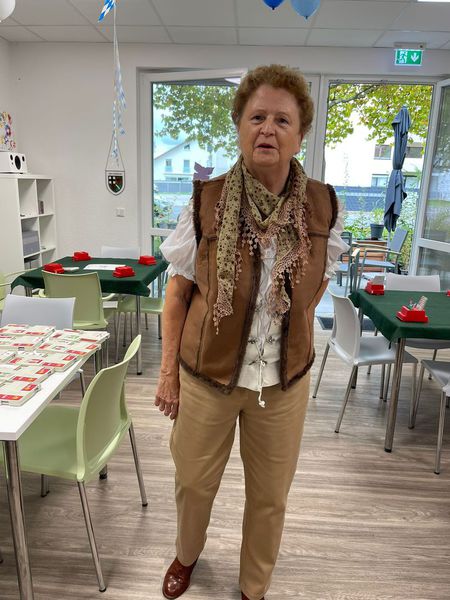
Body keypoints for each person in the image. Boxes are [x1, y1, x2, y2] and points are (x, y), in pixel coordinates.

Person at [155, 64, 348, 600]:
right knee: (193, 482)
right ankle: (186, 555)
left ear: (300, 135)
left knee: (270, 497)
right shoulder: (206, 202)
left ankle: (253, 587)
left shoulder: (324, 207)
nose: (268, 129)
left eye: (282, 120)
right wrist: (168, 374)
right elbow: (177, 296)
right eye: (257, 116)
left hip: (283, 383)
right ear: (239, 125)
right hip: (206, 377)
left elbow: (315, 289)